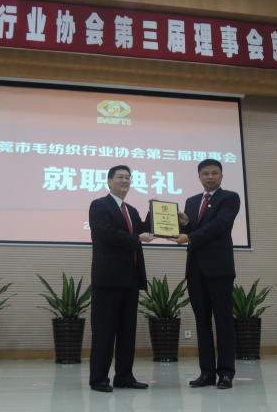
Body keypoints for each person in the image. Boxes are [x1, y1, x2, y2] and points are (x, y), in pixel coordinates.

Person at [168, 159, 241, 389]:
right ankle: (207, 373)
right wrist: (185, 224)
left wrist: (190, 236)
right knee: (202, 322)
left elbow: (220, 224)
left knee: (223, 321)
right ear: (199, 177)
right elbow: (194, 230)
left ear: (221, 176)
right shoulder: (191, 201)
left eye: (214, 173)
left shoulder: (230, 198)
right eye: (205, 173)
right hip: (195, 268)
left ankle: (226, 373)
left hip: (219, 268)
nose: (210, 177)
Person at [88, 165, 156, 393]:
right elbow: (107, 232)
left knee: (127, 332)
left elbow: (144, 230)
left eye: (128, 177)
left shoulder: (132, 210)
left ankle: (125, 376)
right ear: (109, 181)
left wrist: (156, 212)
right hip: (108, 279)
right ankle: (99, 379)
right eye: (120, 177)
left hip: (130, 279)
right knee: (104, 331)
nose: (125, 180)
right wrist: (137, 238)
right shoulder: (99, 205)